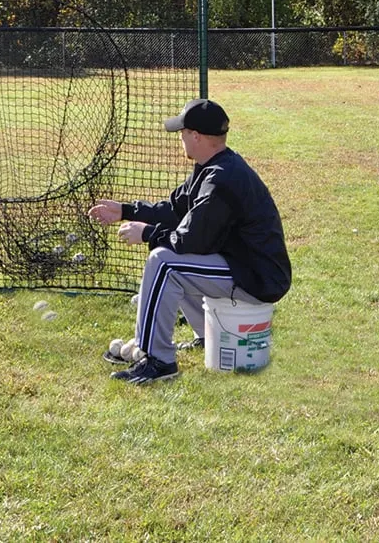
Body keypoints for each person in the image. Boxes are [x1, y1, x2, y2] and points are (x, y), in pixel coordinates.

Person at [89, 98, 291, 385]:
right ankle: (206, 336)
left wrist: (146, 233)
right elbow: (174, 209)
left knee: (164, 263)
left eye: (182, 133)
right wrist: (125, 210)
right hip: (245, 266)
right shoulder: (214, 166)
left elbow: (189, 242)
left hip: (258, 278)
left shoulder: (221, 179)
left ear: (196, 136)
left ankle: (158, 361)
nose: (180, 139)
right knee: (174, 262)